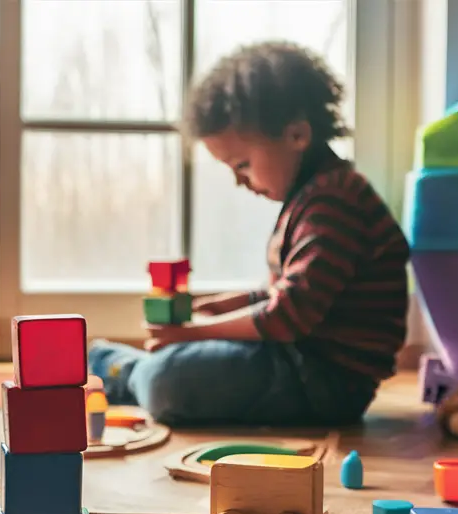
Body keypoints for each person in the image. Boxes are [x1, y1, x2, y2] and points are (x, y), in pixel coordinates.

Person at [87, 40, 410, 427]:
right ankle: (122, 369)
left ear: (296, 135)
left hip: (326, 383)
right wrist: (212, 307)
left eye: (242, 165)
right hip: (296, 362)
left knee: (168, 380)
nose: (240, 182)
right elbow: (274, 296)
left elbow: (287, 315)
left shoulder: (334, 202)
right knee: (184, 365)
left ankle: (122, 371)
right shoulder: (312, 197)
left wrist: (191, 334)